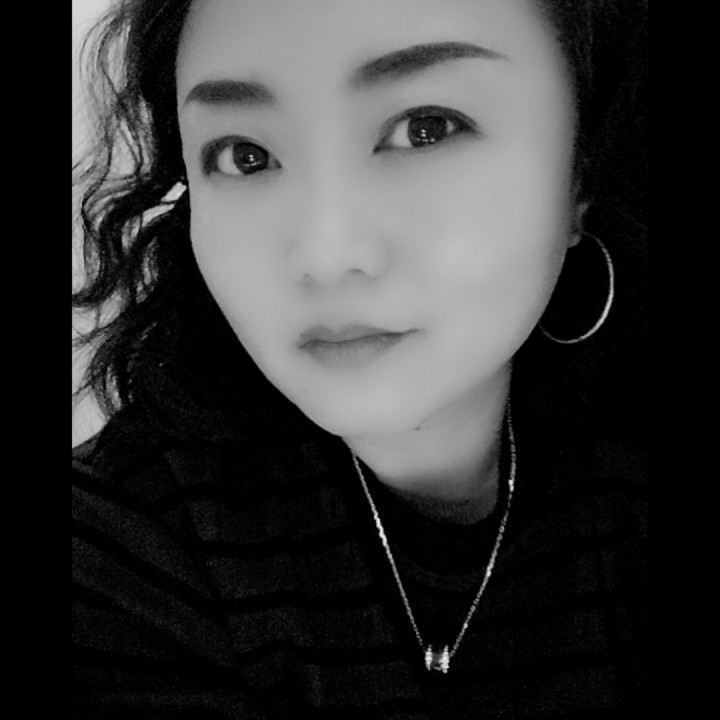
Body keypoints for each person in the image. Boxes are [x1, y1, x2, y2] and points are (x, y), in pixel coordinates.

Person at [72, 0, 647, 717]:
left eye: (425, 128)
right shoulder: (119, 551)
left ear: (581, 172)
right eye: (246, 155)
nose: (325, 254)